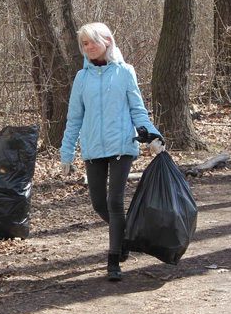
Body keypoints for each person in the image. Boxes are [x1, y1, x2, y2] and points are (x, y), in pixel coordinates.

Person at [60, 23, 164, 282]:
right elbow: (74, 118)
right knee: (98, 203)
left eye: (93, 41)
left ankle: (113, 259)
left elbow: (138, 109)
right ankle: (126, 237)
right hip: (93, 147)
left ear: (107, 41)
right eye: (84, 44)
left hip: (121, 145)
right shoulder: (81, 78)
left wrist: (152, 135)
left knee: (114, 202)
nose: (89, 47)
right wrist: (66, 153)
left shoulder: (125, 72)